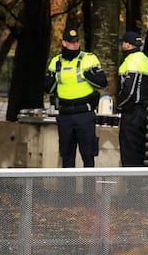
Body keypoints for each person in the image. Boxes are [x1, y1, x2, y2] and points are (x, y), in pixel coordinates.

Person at [44, 25, 108, 167]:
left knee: (88, 155)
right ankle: (68, 189)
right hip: (65, 114)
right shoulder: (56, 62)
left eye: (77, 42)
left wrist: (88, 76)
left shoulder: (89, 59)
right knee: (66, 156)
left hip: (84, 113)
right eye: (72, 42)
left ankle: (89, 189)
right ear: (64, 43)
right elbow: (47, 88)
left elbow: (103, 82)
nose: (75, 45)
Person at [116, 30, 148, 166]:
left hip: (132, 113)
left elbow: (129, 91)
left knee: (129, 154)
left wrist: (119, 104)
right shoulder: (147, 60)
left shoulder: (131, 62)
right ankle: (141, 185)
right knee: (142, 151)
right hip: (145, 112)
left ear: (127, 45)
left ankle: (132, 187)